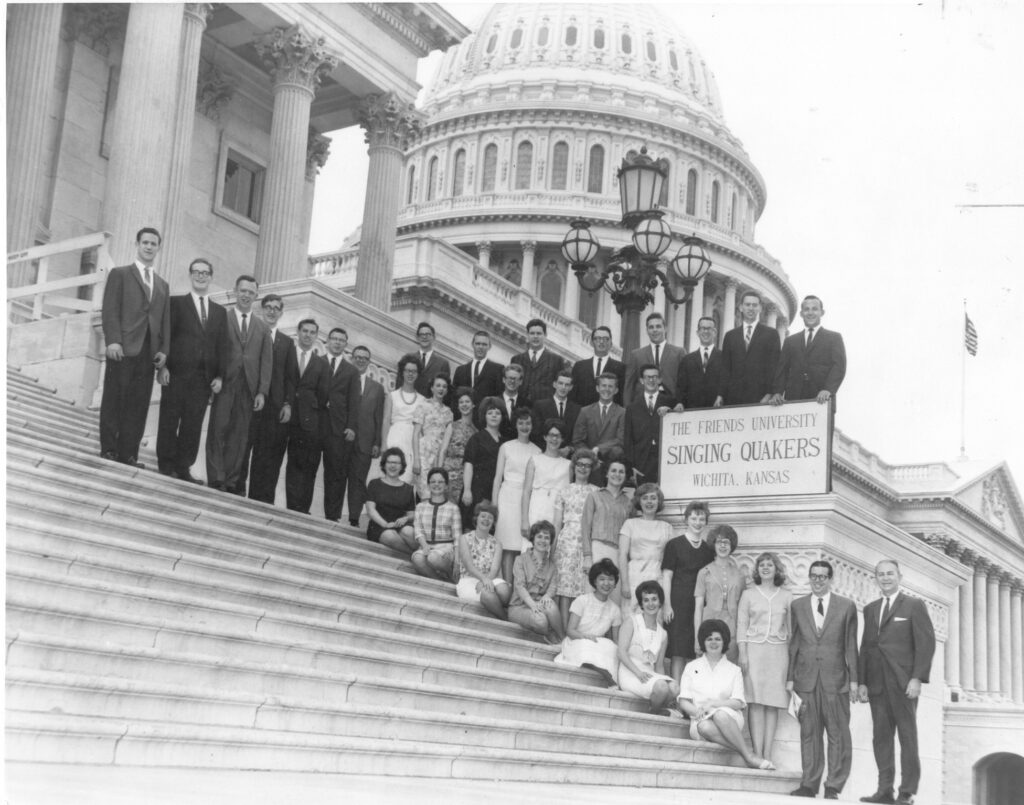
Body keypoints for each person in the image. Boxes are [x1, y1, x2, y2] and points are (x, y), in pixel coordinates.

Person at [857, 560, 935, 805]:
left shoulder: (914, 605)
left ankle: (907, 792)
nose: (885, 578)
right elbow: (866, 648)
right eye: (880, 574)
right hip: (877, 684)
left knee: (907, 737)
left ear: (900, 576)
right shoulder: (870, 609)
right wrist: (862, 682)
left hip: (904, 684)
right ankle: (884, 790)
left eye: (890, 573)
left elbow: (926, 644)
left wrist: (917, 678)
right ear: (875, 578)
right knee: (881, 738)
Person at [99, 226, 171, 467]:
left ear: (158, 248)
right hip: (123, 347)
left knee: (138, 404)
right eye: (145, 243)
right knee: (114, 399)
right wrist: (113, 340)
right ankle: (109, 448)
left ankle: (129, 454)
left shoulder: (162, 285)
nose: (149, 247)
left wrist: (163, 351)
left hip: (148, 352)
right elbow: (110, 310)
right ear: (137, 244)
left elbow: (165, 321)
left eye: (153, 243)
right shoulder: (120, 274)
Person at [788, 559, 859, 800]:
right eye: (814, 576)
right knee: (809, 733)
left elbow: (851, 645)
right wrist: (790, 679)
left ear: (830, 579)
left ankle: (833, 785)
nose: (818, 581)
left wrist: (854, 681)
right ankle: (809, 784)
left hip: (835, 678)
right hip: (806, 679)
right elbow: (794, 644)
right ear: (809, 578)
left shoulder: (846, 606)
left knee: (838, 733)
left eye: (822, 577)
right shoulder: (797, 606)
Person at [156, 257, 226, 483]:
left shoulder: (219, 312)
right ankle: (166, 465)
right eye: (196, 272)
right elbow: (164, 335)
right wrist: (163, 366)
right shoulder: (175, 303)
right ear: (190, 274)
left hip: (202, 379)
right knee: (169, 420)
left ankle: (183, 467)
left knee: (193, 425)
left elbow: (223, 346)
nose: (201, 276)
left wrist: (219, 376)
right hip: (176, 373)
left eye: (205, 273)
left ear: (211, 277)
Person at [678, 619, 775, 770]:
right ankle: (748, 755)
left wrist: (714, 705)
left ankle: (748, 757)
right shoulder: (691, 667)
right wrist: (697, 712)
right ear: (703, 642)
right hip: (700, 718)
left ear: (724, 642)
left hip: (730, 717)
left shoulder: (734, 670)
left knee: (720, 715)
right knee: (703, 727)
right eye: (709, 639)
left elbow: (738, 702)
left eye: (718, 639)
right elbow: (683, 701)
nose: (713, 642)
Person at [206, 274, 272, 493]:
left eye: (251, 292)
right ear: (235, 291)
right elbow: (213, 351)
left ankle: (232, 480)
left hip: (248, 388)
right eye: (243, 291)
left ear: (256, 296)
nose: (246, 295)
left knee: (239, 435)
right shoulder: (222, 318)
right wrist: (215, 376)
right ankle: (216, 476)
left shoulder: (262, 328)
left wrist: (262, 392)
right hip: (225, 382)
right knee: (218, 429)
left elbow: (266, 362)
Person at [737, 551, 793, 768]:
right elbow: (741, 624)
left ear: (776, 569)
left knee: (772, 704)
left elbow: (791, 629)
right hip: (754, 651)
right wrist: (742, 652)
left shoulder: (786, 595)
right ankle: (757, 754)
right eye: (762, 565)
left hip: (778, 653)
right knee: (755, 702)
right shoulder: (749, 594)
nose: (766, 568)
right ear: (757, 570)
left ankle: (768, 754)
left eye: (770, 565)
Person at [246, 294, 295, 503]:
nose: (271, 311)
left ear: (281, 313)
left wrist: (287, 404)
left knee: (267, 455)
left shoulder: (286, 342)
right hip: (250, 402)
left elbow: (291, 377)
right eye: (268, 307)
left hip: (274, 407)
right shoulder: (251, 333)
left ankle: (262, 499)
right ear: (261, 309)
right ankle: (236, 490)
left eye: (276, 308)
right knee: (244, 448)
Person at [661, 500, 715, 680]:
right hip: (677, 603)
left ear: (706, 521)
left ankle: (689, 695)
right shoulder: (674, 545)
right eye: (694, 518)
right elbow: (667, 576)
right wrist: (667, 605)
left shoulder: (708, 550)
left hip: (698, 605)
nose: (698, 522)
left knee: (694, 650)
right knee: (678, 651)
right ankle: (676, 694)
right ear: (686, 520)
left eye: (701, 518)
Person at [283, 319, 330, 513]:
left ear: (316, 336)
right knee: (283, 462)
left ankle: (299, 508)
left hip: (307, 421)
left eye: (312, 332)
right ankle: (285, 503)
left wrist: (308, 410)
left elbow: (323, 394)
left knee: (302, 465)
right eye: (305, 331)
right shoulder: (287, 355)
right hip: (284, 414)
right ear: (298, 332)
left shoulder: (321, 363)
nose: (308, 335)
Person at [770, 295, 847, 410]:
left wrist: (828, 389)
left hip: (822, 401)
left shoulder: (834, 338)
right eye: (806, 309)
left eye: (814, 309)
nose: (810, 313)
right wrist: (777, 392)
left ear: (822, 312)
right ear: (801, 314)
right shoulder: (790, 341)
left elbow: (839, 366)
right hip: (794, 401)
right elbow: (783, 369)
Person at [555, 558, 622, 684]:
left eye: (610, 579)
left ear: (615, 583)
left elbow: (616, 640)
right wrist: (584, 637)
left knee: (612, 647)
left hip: (598, 642)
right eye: (602, 579)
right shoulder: (582, 600)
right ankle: (606, 675)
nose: (606, 583)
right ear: (594, 581)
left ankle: (610, 675)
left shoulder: (615, 610)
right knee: (585, 646)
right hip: (577, 640)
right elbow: (570, 631)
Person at [552, 449, 599, 625]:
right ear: (574, 466)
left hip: (586, 543)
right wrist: (553, 548)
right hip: (566, 542)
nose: (583, 469)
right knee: (564, 588)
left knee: (582, 588)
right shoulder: (564, 490)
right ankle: (564, 629)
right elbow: (557, 523)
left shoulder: (596, 492)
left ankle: (577, 628)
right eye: (580, 464)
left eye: (587, 466)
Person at [493, 407, 541, 581]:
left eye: (528, 423)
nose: (524, 426)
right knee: (507, 544)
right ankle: (506, 583)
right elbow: (498, 478)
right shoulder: (506, 447)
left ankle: (517, 586)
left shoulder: (537, 451)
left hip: (525, 499)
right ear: (515, 425)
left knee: (520, 545)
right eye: (521, 423)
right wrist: (494, 506)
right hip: (507, 498)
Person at [579, 453, 632, 607]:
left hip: (618, 553)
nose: (617, 474)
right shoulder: (594, 496)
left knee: (614, 599)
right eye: (614, 470)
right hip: (598, 549)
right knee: (593, 595)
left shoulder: (628, 502)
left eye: (621, 471)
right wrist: (588, 556)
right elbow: (585, 528)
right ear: (607, 473)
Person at [616, 580, 678, 712]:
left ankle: (654, 708)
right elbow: (621, 652)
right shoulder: (631, 622)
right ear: (641, 604)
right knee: (661, 687)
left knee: (674, 688)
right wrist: (638, 673)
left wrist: (661, 679)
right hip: (630, 673)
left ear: (660, 602)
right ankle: (654, 713)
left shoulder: (663, 634)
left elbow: (659, 666)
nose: (651, 604)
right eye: (646, 600)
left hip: (649, 675)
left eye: (654, 599)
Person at [716, 290, 780, 407]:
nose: (751, 308)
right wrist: (720, 395)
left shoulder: (771, 334)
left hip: (760, 398)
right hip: (733, 399)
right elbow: (725, 368)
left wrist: (769, 393)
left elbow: (774, 367)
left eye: (755, 305)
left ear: (760, 308)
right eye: (747, 304)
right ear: (741, 307)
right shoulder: (730, 336)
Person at [322, 327, 360, 522]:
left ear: (345, 345)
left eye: (341, 340)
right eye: (334, 338)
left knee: (336, 473)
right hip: (316, 425)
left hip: (339, 428)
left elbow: (354, 401)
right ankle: (301, 508)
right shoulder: (316, 362)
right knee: (309, 468)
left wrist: (351, 426)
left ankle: (332, 515)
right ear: (327, 341)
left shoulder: (351, 371)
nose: (337, 342)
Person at [345, 345, 385, 528]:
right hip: (343, 437)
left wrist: (377, 442)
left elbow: (378, 416)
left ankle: (354, 517)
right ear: (352, 358)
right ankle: (333, 513)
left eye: (364, 358)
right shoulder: (343, 379)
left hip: (365, 441)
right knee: (337, 477)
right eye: (357, 357)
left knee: (359, 480)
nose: (360, 360)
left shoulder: (376, 388)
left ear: (369, 362)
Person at [693, 524, 745, 663]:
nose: (723, 546)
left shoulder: (739, 574)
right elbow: (698, 607)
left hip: (733, 630)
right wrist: (697, 639)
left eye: (726, 542)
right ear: (713, 545)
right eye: (719, 542)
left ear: (731, 545)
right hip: (709, 629)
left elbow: (743, 608)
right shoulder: (704, 572)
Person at [619, 483, 673, 616]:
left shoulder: (667, 527)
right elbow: (622, 554)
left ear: (658, 501)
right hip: (634, 576)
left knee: (655, 619)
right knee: (631, 618)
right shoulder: (630, 524)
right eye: (645, 498)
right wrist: (624, 583)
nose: (649, 501)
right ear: (639, 501)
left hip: (657, 576)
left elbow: (671, 561)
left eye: (653, 498)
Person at [507, 520, 564, 644]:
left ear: (550, 542)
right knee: (541, 621)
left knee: (550, 605)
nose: (543, 541)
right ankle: (548, 632)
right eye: (539, 536)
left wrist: (547, 596)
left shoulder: (552, 566)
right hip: (519, 606)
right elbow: (520, 586)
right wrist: (533, 605)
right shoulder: (520, 560)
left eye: (547, 538)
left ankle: (562, 639)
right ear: (533, 538)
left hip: (539, 604)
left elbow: (553, 586)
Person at [624, 363, 679, 485]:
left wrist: (672, 410)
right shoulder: (632, 407)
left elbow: (680, 421)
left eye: (654, 377)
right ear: (641, 380)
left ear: (660, 380)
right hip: (641, 463)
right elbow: (628, 440)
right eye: (647, 377)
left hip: (665, 460)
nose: (651, 380)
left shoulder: (670, 401)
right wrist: (630, 467)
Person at [455, 501, 510, 620]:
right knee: (488, 595)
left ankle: (493, 605)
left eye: (490, 518)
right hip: (468, 580)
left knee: (504, 591)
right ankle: (504, 618)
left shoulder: (497, 543)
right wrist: (483, 580)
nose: (486, 520)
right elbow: (469, 566)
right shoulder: (464, 539)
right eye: (483, 516)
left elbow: (495, 569)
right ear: (476, 518)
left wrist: (486, 581)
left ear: (493, 522)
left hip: (490, 578)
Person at [521, 419, 572, 535]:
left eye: (558, 436)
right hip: (537, 507)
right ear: (545, 437)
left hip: (557, 512)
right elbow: (526, 492)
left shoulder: (568, 465)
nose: (554, 439)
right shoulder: (534, 460)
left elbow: (569, 494)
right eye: (551, 435)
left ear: (562, 439)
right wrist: (524, 520)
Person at [410, 468, 461, 581]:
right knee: (417, 558)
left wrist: (457, 560)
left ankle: (450, 572)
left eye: (440, 482)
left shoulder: (453, 508)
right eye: (433, 482)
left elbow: (457, 537)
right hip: (426, 545)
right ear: (428, 485)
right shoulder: (420, 507)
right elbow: (418, 531)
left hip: (446, 548)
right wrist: (424, 546)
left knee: (433, 558)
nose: (436, 485)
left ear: (446, 485)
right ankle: (440, 581)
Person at [382, 355, 425, 484]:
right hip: (394, 437)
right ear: (402, 372)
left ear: (418, 374)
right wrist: (384, 444)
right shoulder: (392, 396)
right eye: (407, 370)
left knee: (407, 478)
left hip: (413, 441)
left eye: (414, 371)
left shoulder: (422, 400)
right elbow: (386, 420)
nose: (410, 374)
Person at [624, 312, 683, 405]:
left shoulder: (679, 352)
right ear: (647, 330)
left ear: (665, 328)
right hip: (643, 404)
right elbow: (629, 385)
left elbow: (684, 383)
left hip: (671, 403)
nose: (654, 330)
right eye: (651, 327)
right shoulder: (636, 355)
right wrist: (627, 410)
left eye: (658, 326)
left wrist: (682, 404)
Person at [461, 397, 505, 521]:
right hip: (477, 490)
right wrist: (467, 490)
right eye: (490, 413)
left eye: (497, 413)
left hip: (497, 491)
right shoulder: (476, 438)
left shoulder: (505, 442)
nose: (494, 416)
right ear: (484, 416)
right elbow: (468, 464)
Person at [413, 374, 454, 500]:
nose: (441, 389)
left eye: (444, 387)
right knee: (425, 492)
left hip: (439, 454)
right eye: (438, 386)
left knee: (437, 492)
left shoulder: (448, 412)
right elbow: (415, 434)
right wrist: (416, 460)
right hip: (424, 452)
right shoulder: (423, 406)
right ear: (432, 388)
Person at [440, 386, 477, 525]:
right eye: (461, 402)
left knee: (456, 514)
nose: (464, 405)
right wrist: (438, 472)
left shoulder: (476, 432)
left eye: (467, 401)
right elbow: (443, 450)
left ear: (473, 404)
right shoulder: (452, 426)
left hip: (464, 478)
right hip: (448, 473)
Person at [571, 372, 624, 467]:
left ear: (616, 390)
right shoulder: (585, 411)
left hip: (611, 462)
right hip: (588, 461)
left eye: (610, 386)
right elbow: (577, 440)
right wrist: (590, 456)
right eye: (603, 386)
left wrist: (599, 448)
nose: (607, 389)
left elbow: (620, 439)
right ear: (597, 388)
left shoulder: (622, 412)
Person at [366, 447, 416, 547]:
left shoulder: (408, 489)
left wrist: (405, 519)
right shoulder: (375, 484)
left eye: (396, 463)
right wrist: (385, 524)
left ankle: (420, 556)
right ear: (384, 465)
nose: (393, 465)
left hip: (401, 525)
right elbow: (370, 510)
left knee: (409, 532)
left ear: (402, 466)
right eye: (389, 462)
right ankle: (417, 557)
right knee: (390, 536)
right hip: (379, 525)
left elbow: (412, 514)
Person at [511, 318, 568, 404]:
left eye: (539, 333)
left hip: (544, 409)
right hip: (520, 408)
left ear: (545, 335)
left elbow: (560, 387)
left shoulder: (556, 360)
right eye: (532, 333)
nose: (535, 336)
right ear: (527, 335)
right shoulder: (517, 359)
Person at [451, 331, 504, 420]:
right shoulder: (460, 370)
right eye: (478, 344)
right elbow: (454, 398)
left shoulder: (497, 369)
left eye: (484, 344)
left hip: (484, 420)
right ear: (473, 344)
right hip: (462, 419)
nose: (480, 347)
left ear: (489, 347)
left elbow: (498, 398)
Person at [676, 316, 723, 410]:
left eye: (709, 328)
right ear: (697, 332)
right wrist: (680, 402)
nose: (706, 331)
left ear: (715, 332)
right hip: (693, 411)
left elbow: (727, 383)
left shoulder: (724, 357)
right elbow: (681, 387)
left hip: (717, 410)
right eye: (703, 328)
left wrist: (721, 396)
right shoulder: (687, 360)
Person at [571, 325, 624, 407]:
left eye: (606, 339)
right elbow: (572, 395)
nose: (601, 342)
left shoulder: (621, 368)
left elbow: (621, 396)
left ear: (611, 343)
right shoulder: (579, 366)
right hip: (582, 415)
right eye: (598, 338)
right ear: (592, 343)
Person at [530, 369, 580, 455]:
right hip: (544, 453)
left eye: (567, 385)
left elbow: (577, 436)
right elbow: (536, 433)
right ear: (554, 384)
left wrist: (569, 449)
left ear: (571, 387)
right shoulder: (540, 405)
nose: (563, 387)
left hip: (566, 456)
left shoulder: (577, 409)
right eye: (560, 383)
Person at [412, 321, 451, 398]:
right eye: (421, 335)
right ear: (417, 338)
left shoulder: (442, 363)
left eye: (428, 334)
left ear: (433, 338)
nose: (424, 337)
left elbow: (446, 390)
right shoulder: (409, 359)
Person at [497, 363, 531, 441]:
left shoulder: (528, 404)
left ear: (521, 382)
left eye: (515, 379)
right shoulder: (495, 401)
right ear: (504, 379)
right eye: (509, 378)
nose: (512, 381)